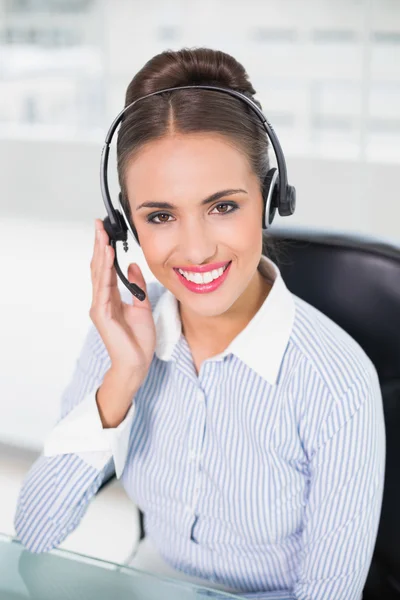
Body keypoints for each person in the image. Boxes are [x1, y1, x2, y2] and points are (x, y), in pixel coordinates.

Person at [14, 48, 385, 600]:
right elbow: (35, 533)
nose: (195, 249)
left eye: (223, 206)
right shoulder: (124, 337)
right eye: (160, 216)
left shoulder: (336, 381)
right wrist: (123, 378)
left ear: (269, 197)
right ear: (126, 225)